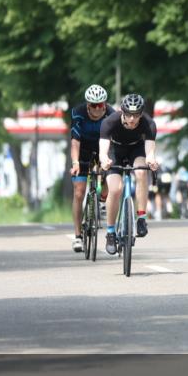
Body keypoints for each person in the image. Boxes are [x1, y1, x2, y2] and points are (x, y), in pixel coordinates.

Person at [99, 94, 159, 255]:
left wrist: (152, 161)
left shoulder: (149, 123)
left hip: (136, 149)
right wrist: (104, 160)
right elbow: (103, 151)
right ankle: (110, 232)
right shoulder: (109, 122)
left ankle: (141, 218)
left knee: (140, 172)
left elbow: (150, 151)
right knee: (116, 189)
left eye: (136, 115)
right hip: (115, 151)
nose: (132, 119)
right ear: (122, 111)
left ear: (141, 113)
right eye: (129, 115)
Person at [68, 84, 114, 252]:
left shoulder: (111, 113)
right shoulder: (78, 112)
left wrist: (108, 160)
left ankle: (102, 200)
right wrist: (75, 163)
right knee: (79, 191)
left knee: (109, 176)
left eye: (101, 104)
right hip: (83, 150)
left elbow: (114, 140)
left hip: (104, 148)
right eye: (94, 105)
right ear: (88, 105)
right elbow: (75, 141)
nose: (98, 109)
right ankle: (78, 236)